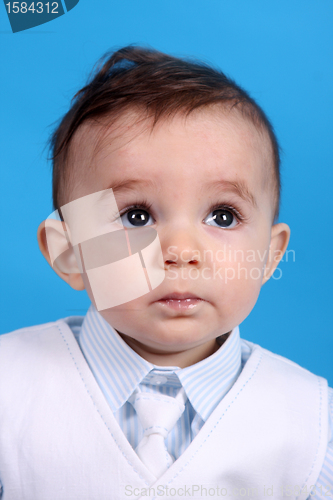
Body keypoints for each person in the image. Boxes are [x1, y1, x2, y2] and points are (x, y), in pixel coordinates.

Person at [0, 46, 331, 499]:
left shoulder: (312, 423)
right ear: (71, 253)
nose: (180, 251)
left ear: (269, 256)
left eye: (222, 216)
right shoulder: (10, 386)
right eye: (136, 216)